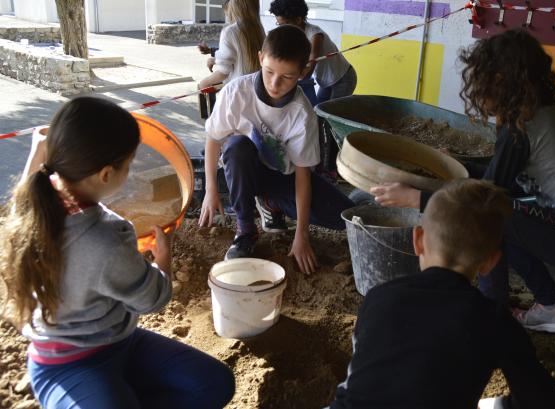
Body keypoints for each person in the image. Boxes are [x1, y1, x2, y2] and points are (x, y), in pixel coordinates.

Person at [370, 29, 555, 333]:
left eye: (479, 76)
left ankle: (490, 316)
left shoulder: (520, 128)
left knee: (494, 217)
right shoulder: (540, 117)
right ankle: (552, 306)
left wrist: (416, 199)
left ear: (499, 78)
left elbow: (482, 200)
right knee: (507, 213)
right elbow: (499, 182)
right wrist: (453, 165)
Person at [0, 97, 235, 409]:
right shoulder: (106, 240)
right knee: (212, 386)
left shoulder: (34, 200)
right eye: (130, 163)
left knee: (213, 382)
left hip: (118, 341)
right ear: (107, 174)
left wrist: (39, 149)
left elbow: (29, 182)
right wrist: (163, 257)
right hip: (68, 367)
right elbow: (154, 299)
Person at [329, 179, 555, 409]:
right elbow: (545, 401)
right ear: (490, 262)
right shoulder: (494, 321)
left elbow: (367, 379)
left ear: (418, 240)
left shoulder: (378, 297)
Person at [198, 25, 354, 274]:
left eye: (287, 77)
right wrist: (210, 190)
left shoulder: (302, 114)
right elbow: (213, 138)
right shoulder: (236, 92)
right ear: (260, 58)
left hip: (284, 176)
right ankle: (246, 230)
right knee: (237, 146)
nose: (275, 83)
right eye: (269, 71)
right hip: (245, 170)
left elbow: (303, 176)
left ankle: (271, 204)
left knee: (344, 217)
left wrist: (301, 235)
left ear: (303, 73)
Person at [269, 0, 357, 106]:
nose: (282, 29)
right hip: (326, 81)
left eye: (284, 24)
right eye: (279, 25)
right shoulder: (293, 36)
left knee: (331, 114)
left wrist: (286, 75)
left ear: (298, 19)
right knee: (319, 110)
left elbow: (307, 73)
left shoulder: (315, 35)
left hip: (343, 79)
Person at [198, 0, 265, 89]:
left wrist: (203, 83)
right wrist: (214, 58)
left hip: (238, 93)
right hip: (258, 91)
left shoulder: (230, 31)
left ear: (235, 5)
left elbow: (224, 72)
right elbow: (243, 57)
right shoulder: (260, 30)